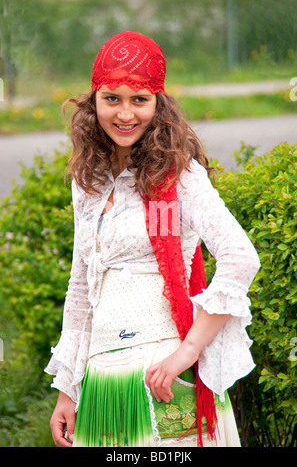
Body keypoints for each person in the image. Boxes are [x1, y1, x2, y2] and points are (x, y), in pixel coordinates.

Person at [45, 31, 260, 448]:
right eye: (113, 98)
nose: (125, 113)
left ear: (158, 104)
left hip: (163, 377)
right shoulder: (88, 184)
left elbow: (240, 257)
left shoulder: (180, 176)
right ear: (94, 102)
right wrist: (67, 390)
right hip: (102, 384)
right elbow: (82, 287)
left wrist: (188, 353)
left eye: (139, 99)